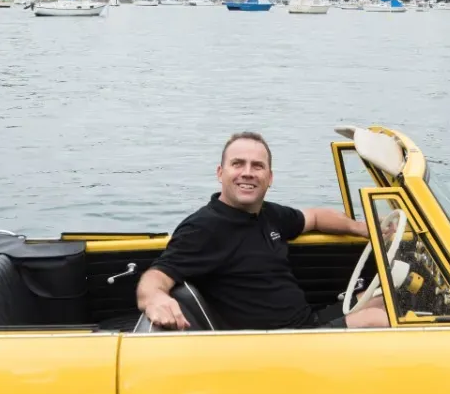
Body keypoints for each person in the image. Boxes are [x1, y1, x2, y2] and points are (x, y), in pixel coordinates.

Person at [137, 132, 390, 330]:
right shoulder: (203, 228)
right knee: (378, 319)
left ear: (270, 177)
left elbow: (314, 217)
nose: (247, 172)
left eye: (257, 166)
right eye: (238, 164)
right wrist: (155, 299)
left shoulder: (269, 214)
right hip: (276, 345)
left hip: (306, 323)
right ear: (220, 173)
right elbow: (156, 277)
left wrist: (362, 228)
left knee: (389, 301)